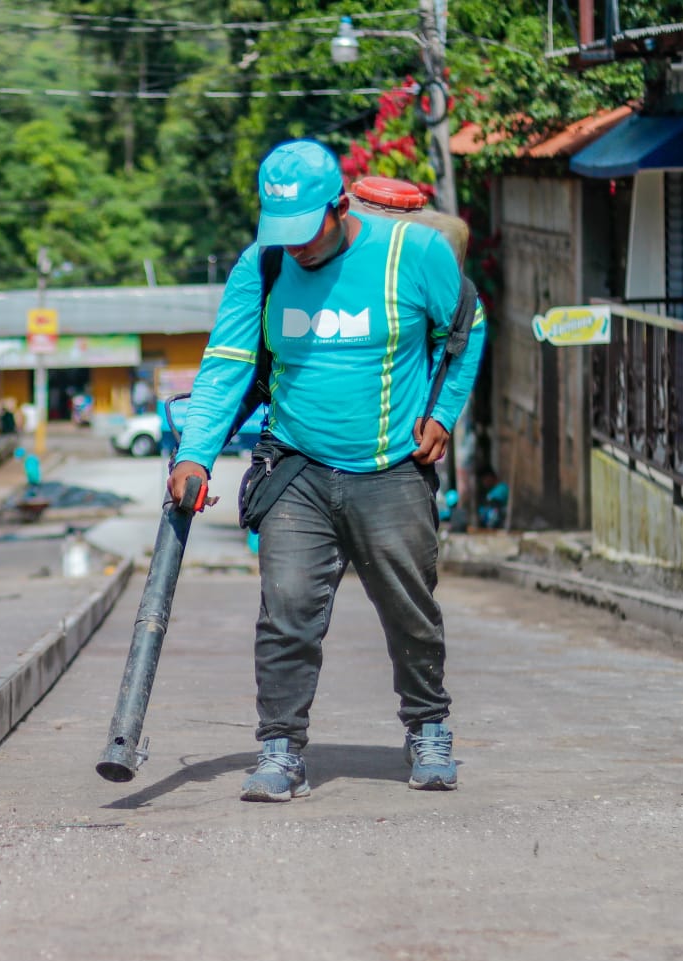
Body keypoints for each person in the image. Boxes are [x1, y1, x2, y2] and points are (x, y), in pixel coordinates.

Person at [167, 139, 486, 801]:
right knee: (285, 612)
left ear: (340, 206)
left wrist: (444, 412)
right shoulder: (263, 265)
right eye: (282, 232)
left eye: (307, 231)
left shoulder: (410, 254)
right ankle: (280, 749)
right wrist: (194, 454)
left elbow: (466, 327)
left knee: (410, 612)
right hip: (296, 468)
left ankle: (428, 727)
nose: (298, 247)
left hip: (390, 467)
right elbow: (226, 364)